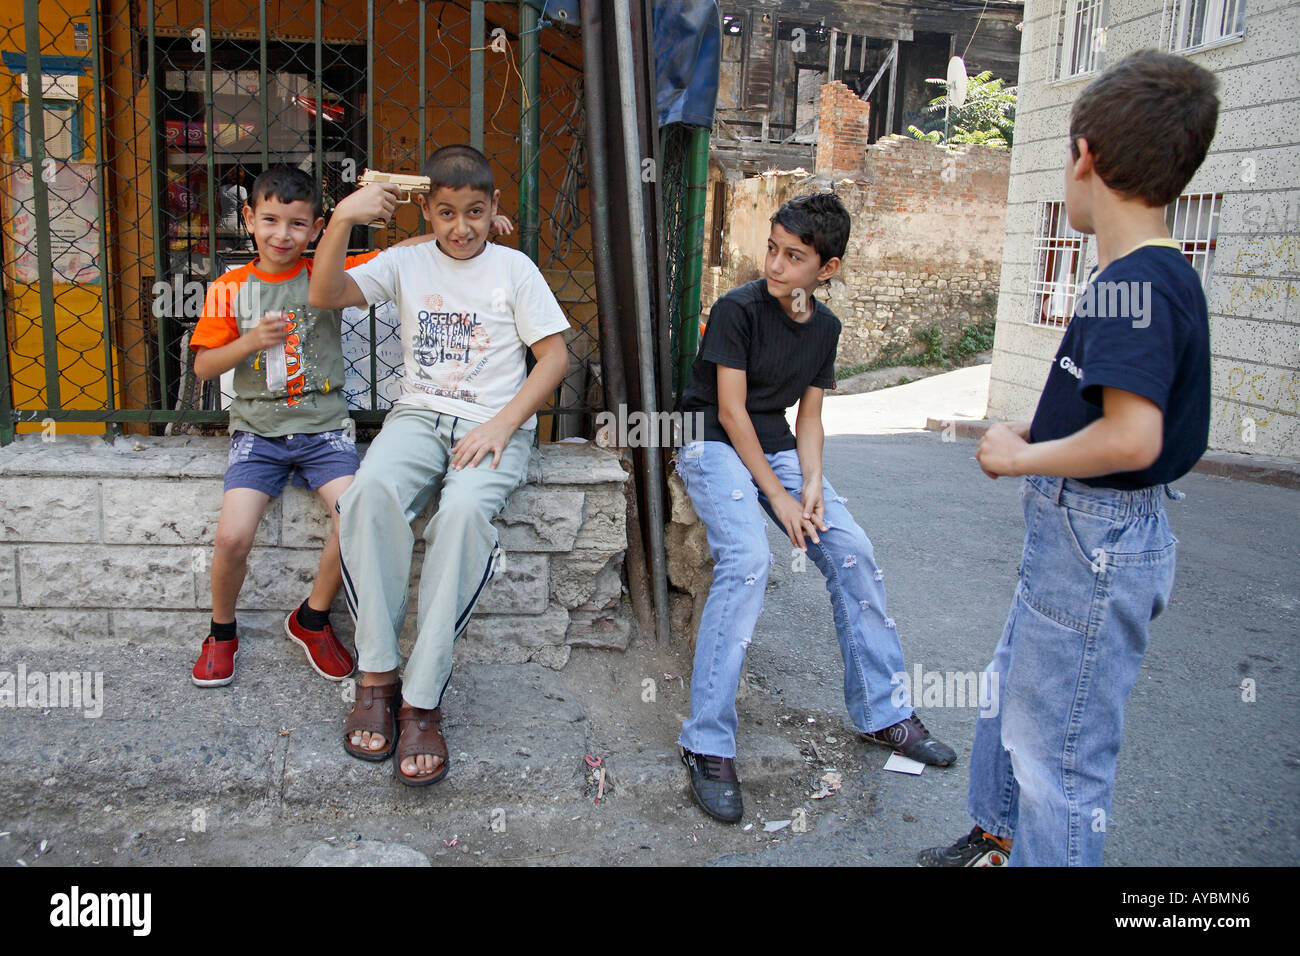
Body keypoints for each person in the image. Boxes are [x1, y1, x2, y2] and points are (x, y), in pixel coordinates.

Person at [918, 50, 1219, 866]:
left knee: (1061, 756)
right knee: (1011, 698)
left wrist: (1018, 459)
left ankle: (1028, 843)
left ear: (1084, 155)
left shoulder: (1138, 287)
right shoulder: (1147, 274)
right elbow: (1104, 406)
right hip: (1083, 536)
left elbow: (1133, 438)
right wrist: (1030, 430)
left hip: (1098, 537)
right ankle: (997, 840)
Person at [675, 192, 956, 824]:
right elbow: (728, 411)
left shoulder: (824, 328)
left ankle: (884, 714)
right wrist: (776, 495)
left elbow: (810, 417)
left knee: (851, 550)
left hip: (773, 441)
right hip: (708, 440)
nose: (774, 264)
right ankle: (707, 743)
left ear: (825, 269)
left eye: (793, 256)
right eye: (772, 248)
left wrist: (812, 483)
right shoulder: (736, 310)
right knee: (749, 561)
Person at [308, 144, 571, 786]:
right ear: (426, 209)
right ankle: (377, 678)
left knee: (459, 516)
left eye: (475, 212)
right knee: (366, 495)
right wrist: (343, 217)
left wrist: (503, 423)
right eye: (447, 213)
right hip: (418, 418)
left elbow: (556, 357)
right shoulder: (403, 261)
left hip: (493, 423)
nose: (461, 227)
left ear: (494, 208)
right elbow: (325, 293)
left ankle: (422, 700)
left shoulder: (514, 269)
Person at [189, 166, 372, 688]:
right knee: (231, 537)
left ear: (317, 229)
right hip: (258, 433)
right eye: (269, 220)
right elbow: (204, 367)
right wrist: (249, 341)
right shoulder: (230, 288)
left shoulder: (326, 273)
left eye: (296, 224)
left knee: (356, 518)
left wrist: (461, 221)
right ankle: (221, 632)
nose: (282, 235)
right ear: (248, 219)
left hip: (324, 431)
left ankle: (311, 620)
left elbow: (408, 256)